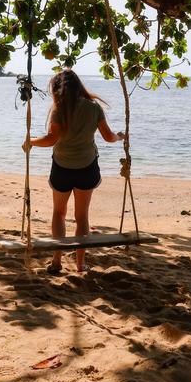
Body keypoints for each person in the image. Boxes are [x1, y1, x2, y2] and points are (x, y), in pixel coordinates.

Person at [23, 69, 125, 273]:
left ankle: (57, 260)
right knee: (82, 216)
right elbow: (108, 137)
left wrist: (30, 141)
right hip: (87, 168)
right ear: (79, 86)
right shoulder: (93, 108)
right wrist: (120, 137)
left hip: (62, 168)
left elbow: (52, 139)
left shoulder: (59, 109)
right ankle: (80, 264)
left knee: (59, 213)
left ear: (57, 89)